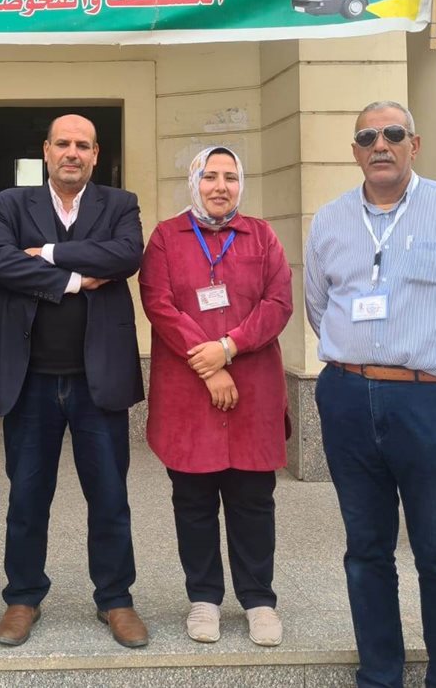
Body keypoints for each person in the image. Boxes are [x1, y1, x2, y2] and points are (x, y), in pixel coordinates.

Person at [304, 101, 436, 688]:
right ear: (355, 151)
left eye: (393, 134)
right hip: (348, 397)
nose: (381, 144)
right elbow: (319, 306)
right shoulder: (330, 220)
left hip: (432, 403)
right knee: (365, 550)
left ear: (413, 145)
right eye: (367, 137)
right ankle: (380, 675)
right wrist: (359, 362)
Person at [0, 114, 148, 649]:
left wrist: (50, 253)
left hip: (99, 380)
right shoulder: (12, 203)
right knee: (27, 497)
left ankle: (115, 598)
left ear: (95, 154)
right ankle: (22, 596)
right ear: (46, 151)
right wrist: (75, 280)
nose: (72, 152)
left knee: (110, 497)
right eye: (63, 144)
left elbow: (125, 255)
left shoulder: (119, 204)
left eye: (82, 145)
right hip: (30, 379)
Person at [139, 146, 292, 647]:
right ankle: (203, 597)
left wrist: (228, 348)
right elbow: (159, 304)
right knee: (194, 501)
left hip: (253, 390)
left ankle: (259, 600)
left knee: (253, 501)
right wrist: (208, 365)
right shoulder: (167, 237)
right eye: (209, 176)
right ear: (194, 182)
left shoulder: (262, 236)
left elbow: (278, 303)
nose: (220, 186)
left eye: (230, 177)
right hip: (188, 391)